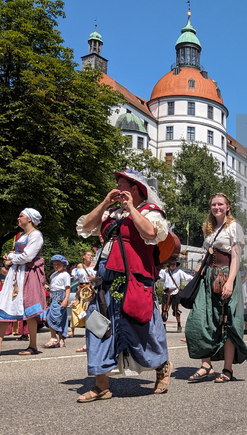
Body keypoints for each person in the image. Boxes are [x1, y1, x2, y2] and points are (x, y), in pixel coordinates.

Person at [76, 169, 172, 401]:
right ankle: (102, 386)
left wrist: (131, 209)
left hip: (136, 280)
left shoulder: (151, 213)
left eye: (123, 185)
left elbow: (150, 233)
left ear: (137, 189)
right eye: (117, 185)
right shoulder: (111, 213)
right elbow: (86, 227)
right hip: (105, 281)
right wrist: (105, 202)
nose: (119, 189)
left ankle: (162, 366)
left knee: (143, 327)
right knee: (98, 328)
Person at [186, 193, 247, 383]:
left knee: (227, 322)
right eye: (214, 204)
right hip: (208, 277)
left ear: (228, 207)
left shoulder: (234, 227)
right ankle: (206, 365)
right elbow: (208, 251)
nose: (217, 207)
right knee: (198, 320)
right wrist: (201, 266)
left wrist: (230, 281)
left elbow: (236, 257)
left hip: (225, 276)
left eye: (220, 204)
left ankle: (227, 369)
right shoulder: (209, 228)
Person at [0, 209, 46, 356]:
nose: (18, 218)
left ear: (30, 219)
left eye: (21, 216)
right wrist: (12, 256)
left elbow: (28, 256)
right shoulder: (21, 236)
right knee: (4, 305)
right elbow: (21, 255)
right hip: (15, 275)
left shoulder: (36, 235)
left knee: (30, 310)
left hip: (28, 275)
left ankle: (33, 345)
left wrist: (10, 259)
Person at [43, 255, 71, 348]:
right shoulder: (54, 275)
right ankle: (58, 339)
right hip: (53, 296)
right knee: (49, 315)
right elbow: (53, 286)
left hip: (60, 297)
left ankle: (55, 338)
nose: (56, 266)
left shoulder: (65, 275)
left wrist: (66, 299)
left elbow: (67, 288)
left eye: (58, 264)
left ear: (63, 264)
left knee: (57, 317)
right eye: (54, 264)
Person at [68, 251, 97, 339]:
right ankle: (72, 330)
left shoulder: (94, 266)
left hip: (90, 289)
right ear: (84, 256)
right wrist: (76, 297)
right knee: (76, 308)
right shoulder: (79, 266)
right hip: (81, 289)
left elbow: (97, 278)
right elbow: (77, 281)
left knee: (88, 310)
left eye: (91, 255)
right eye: (88, 255)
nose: (90, 257)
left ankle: (87, 331)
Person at [159, 260, 192, 333]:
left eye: (174, 264)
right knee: (164, 310)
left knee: (176, 310)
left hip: (176, 293)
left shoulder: (179, 272)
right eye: (172, 263)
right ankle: (163, 327)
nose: (173, 265)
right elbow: (157, 274)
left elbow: (187, 277)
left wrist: (195, 278)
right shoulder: (165, 272)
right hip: (166, 293)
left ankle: (179, 325)